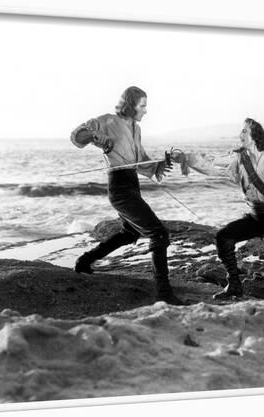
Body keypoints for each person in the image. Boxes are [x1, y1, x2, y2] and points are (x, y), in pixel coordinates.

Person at [173, 118, 264, 299]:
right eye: (241, 131)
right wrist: (185, 158)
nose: (240, 134)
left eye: (244, 131)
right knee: (223, 237)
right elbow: (211, 162)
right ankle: (234, 285)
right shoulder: (238, 158)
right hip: (255, 218)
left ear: (254, 135)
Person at [70, 86, 185, 305]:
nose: (146, 111)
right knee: (158, 234)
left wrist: (161, 164)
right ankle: (163, 293)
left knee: (130, 232)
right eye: (143, 106)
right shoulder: (107, 121)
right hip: (119, 187)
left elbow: (141, 161)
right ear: (130, 105)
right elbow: (76, 136)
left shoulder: (136, 129)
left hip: (132, 184)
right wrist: (98, 137)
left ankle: (85, 261)